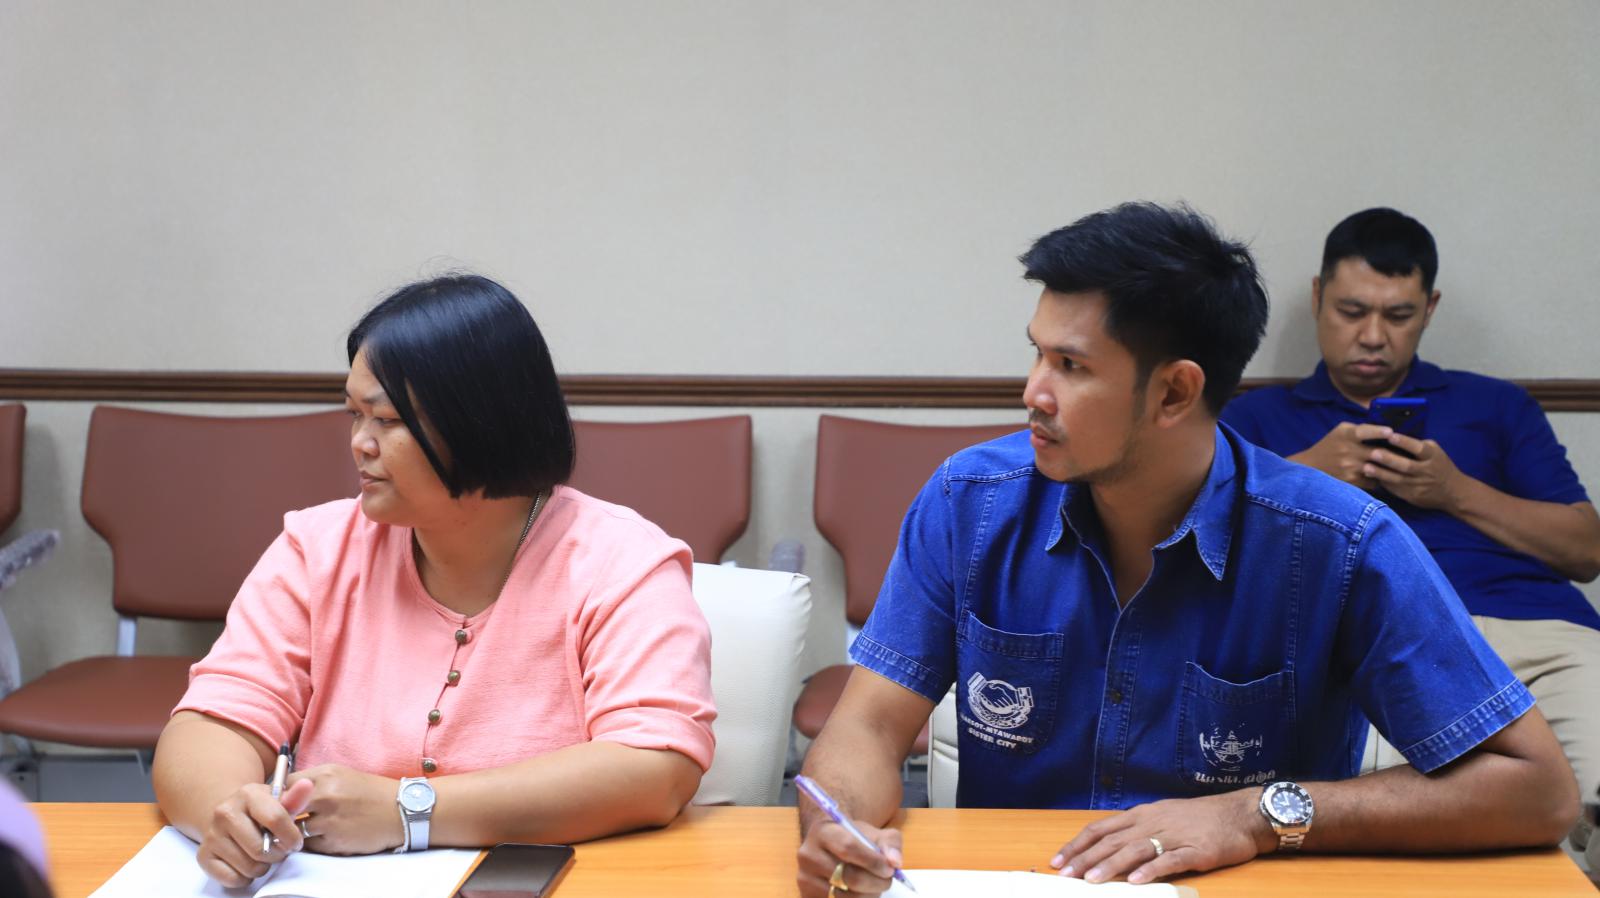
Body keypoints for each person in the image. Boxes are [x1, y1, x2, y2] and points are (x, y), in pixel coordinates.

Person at [793, 203, 1577, 896]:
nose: (1033, 391)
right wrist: (842, 825)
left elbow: (1537, 790)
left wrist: (1254, 816)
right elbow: (867, 730)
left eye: (1070, 366)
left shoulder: (1337, 544)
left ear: (1174, 392)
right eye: (1037, 353)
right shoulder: (971, 503)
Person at [152, 274, 716, 887]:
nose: (359, 444)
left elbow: (656, 770)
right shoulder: (316, 549)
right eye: (354, 414)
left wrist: (408, 811)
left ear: (481, 422)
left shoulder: (622, 562)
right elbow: (212, 722)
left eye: (387, 419)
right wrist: (230, 812)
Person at [1220, 207, 1600, 875]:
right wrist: (1305, 475)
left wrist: (1455, 492)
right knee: (1408, 837)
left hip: (1540, 637)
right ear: (1317, 298)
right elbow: (1204, 544)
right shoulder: (1256, 418)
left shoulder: (1496, 406)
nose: (1372, 336)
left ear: (1430, 308)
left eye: (1397, 315)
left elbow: (1586, 551)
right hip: (1374, 650)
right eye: (1351, 311)